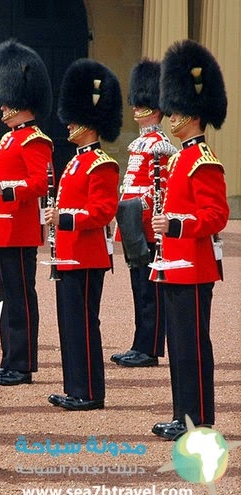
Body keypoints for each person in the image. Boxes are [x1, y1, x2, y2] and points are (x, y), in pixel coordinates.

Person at [151, 40, 228, 440]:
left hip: (194, 266)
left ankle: (199, 419)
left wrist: (177, 227)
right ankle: (183, 416)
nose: (172, 117)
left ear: (194, 114)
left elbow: (218, 215)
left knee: (194, 346)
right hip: (174, 265)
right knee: (178, 347)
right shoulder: (180, 157)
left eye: (178, 110)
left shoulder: (202, 160)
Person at [45, 59, 121, 411]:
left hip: (87, 255)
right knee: (69, 326)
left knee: (84, 325)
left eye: (75, 119)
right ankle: (75, 386)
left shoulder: (102, 163)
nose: (69, 124)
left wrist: (65, 219)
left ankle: (90, 391)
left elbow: (103, 211)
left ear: (89, 124)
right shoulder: (75, 161)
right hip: (68, 253)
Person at [0, 39, 52, 386]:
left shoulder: (34, 139)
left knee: (21, 297)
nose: (3, 106)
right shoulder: (9, 138)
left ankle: (22, 365)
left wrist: (4, 189)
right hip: (0, 229)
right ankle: (9, 359)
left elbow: (39, 184)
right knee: (5, 297)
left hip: (19, 230)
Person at [112, 60, 176, 368]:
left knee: (149, 290)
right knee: (139, 288)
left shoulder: (159, 145)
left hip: (146, 225)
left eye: (142, 105)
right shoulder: (141, 143)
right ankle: (140, 343)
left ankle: (149, 348)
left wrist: (138, 209)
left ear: (155, 108)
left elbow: (159, 187)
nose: (136, 109)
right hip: (134, 222)